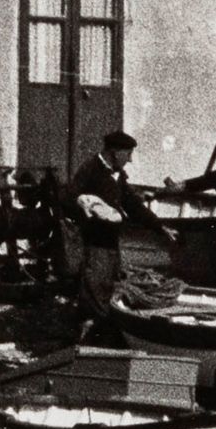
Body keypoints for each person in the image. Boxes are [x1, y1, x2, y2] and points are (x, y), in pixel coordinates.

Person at [67, 129, 165, 319]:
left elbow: (133, 205)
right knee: (95, 286)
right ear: (115, 152)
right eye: (128, 154)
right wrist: (82, 204)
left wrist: (159, 226)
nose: (130, 159)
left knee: (108, 285)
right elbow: (70, 197)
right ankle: (90, 329)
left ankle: (101, 325)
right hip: (94, 243)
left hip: (111, 242)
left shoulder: (118, 175)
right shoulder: (90, 169)